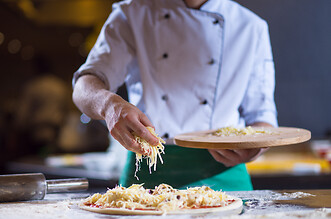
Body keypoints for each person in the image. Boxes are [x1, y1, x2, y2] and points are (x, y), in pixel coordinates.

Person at [72, 0, 278, 191]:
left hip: (225, 173)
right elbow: (83, 87)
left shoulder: (251, 27)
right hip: (147, 171)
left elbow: (263, 117)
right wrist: (109, 105)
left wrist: (256, 147)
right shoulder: (133, 13)